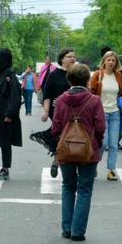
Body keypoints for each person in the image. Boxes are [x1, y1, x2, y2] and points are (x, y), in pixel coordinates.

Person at [51, 63, 105, 242]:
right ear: (87, 80)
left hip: (66, 149)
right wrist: (95, 141)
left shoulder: (61, 100)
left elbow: (55, 127)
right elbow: (100, 127)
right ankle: (77, 230)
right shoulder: (94, 100)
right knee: (84, 189)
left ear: (69, 79)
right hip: (88, 150)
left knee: (68, 186)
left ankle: (66, 227)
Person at [88, 50, 122, 181]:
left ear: (116, 62)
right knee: (103, 143)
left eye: (113, 60)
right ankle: (94, 166)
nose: (111, 62)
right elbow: (91, 93)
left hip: (115, 113)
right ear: (104, 61)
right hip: (101, 113)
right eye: (108, 60)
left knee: (114, 143)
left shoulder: (118, 75)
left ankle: (111, 170)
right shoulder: (98, 75)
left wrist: (121, 107)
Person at [42, 47, 76, 178]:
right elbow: (47, 94)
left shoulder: (76, 73)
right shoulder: (54, 74)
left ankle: (82, 160)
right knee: (61, 136)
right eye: (69, 56)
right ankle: (56, 161)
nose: (72, 59)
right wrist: (46, 111)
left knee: (76, 137)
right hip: (57, 112)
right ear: (62, 59)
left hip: (76, 111)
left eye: (74, 57)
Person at [0, 49, 23, 181]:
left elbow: (15, 97)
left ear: (2, 60)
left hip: (4, 115)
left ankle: (5, 168)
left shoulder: (10, 76)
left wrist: (9, 114)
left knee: (5, 142)